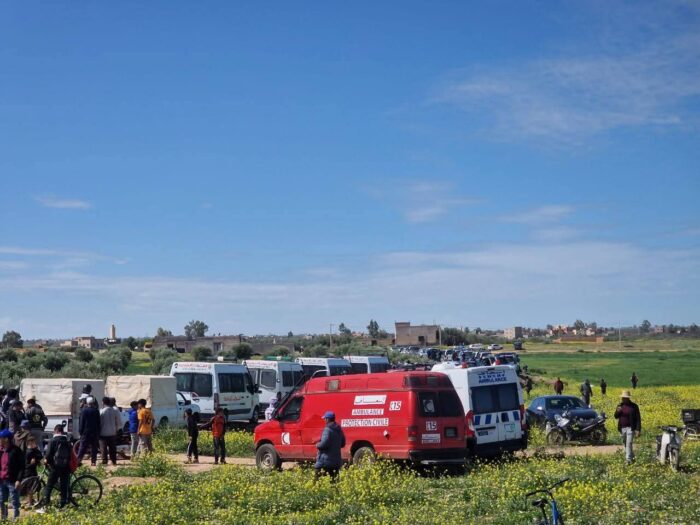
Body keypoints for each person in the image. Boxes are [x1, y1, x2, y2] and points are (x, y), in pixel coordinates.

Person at [38, 425, 72, 511]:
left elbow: (48, 454)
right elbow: (70, 455)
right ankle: (63, 504)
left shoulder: (52, 441)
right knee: (64, 485)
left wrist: (46, 461)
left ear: (56, 431)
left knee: (49, 485)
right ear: (62, 431)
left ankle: (46, 503)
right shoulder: (67, 441)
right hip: (65, 467)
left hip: (55, 467)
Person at [315, 411, 345, 482]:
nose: (324, 420)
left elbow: (324, 444)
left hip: (325, 462)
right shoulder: (339, 430)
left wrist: (318, 444)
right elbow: (343, 443)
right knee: (334, 483)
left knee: (316, 482)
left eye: (325, 419)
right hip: (336, 462)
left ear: (328, 419)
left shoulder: (327, 430)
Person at [0, 429, 24, 520]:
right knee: (2, 501)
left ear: (6, 439)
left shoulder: (16, 450)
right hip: (2, 480)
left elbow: (22, 466)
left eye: (1, 438)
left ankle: (15, 520)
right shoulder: (1, 450)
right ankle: (4, 519)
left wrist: (19, 480)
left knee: (15, 501)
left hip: (12, 481)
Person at [614, 390, 641, 464]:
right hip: (622, 428)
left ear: (628, 398)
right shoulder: (620, 406)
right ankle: (632, 458)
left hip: (630, 428)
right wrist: (618, 411)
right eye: (622, 398)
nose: (623, 399)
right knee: (625, 443)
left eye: (624, 398)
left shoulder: (634, 406)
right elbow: (616, 416)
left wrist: (638, 429)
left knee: (629, 443)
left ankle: (628, 460)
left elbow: (638, 418)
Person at [77, 398, 101, 466]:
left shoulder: (84, 411)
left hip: (85, 432)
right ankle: (93, 462)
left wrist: (80, 432)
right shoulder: (96, 411)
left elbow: (82, 422)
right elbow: (98, 422)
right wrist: (98, 432)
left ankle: (78, 460)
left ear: (87, 403)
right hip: (94, 432)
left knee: (82, 447)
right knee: (94, 447)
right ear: (93, 403)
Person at [99, 397, 121, 466]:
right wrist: (116, 429)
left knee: (103, 448)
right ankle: (113, 461)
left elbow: (98, 422)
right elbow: (118, 421)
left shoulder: (101, 411)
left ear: (103, 402)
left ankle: (104, 461)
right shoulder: (115, 411)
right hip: (112, 432)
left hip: (103, 433)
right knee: (112, 448)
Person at [23, 436, 43, 508]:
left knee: (30, 486)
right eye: (34, 442)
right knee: (31, 486)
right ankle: (30, 502)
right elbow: (40, 456)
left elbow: (39, 456)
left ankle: (30, 501)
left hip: (30, 470)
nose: (35, 443)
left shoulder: (29, 450)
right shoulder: (30, 451)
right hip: (29, 471)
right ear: (30, 443)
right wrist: (33, 463)